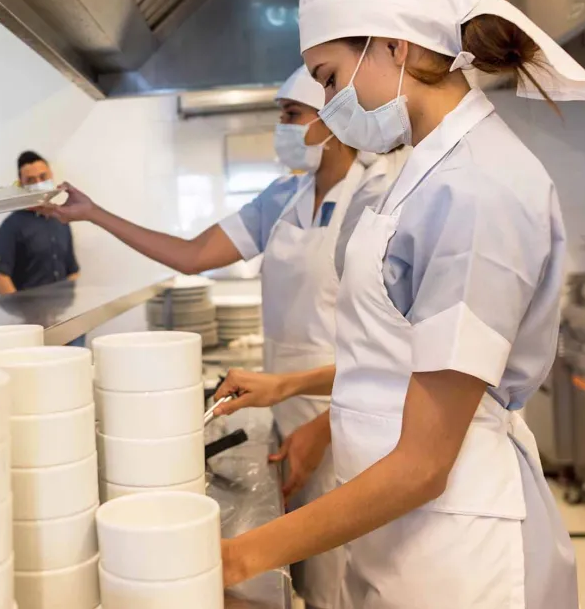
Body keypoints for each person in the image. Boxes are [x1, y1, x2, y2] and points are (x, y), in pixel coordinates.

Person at [211, 0, 585, 608]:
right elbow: (411, 356)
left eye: (329, 78)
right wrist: (293, 384)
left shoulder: (478, 185)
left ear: (392, 45)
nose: (328, 106)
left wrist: (236, 554)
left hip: (463, 557)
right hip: (405, 538)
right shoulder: (429, 168)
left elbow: (423, 462)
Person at [43, 69, 404, 609]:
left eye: (290, 115)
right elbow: (190, 255)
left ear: (332, 118)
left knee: (344, 573)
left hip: (350, 409)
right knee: (304, 570)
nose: (280, 127)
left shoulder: (377, 195)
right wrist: (93, 214)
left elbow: (395, 348)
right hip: (285, 401)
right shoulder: (284, 195)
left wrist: (325, 425)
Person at [0, 152, 78, 295]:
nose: (38, 183)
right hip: (30, 313)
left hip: (63, 312)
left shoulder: (61, 220)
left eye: (43, 177)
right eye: (30, 180)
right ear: (21, 184)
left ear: (51, 175)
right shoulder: (10, 227)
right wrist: (24, 313)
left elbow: (73, 271)